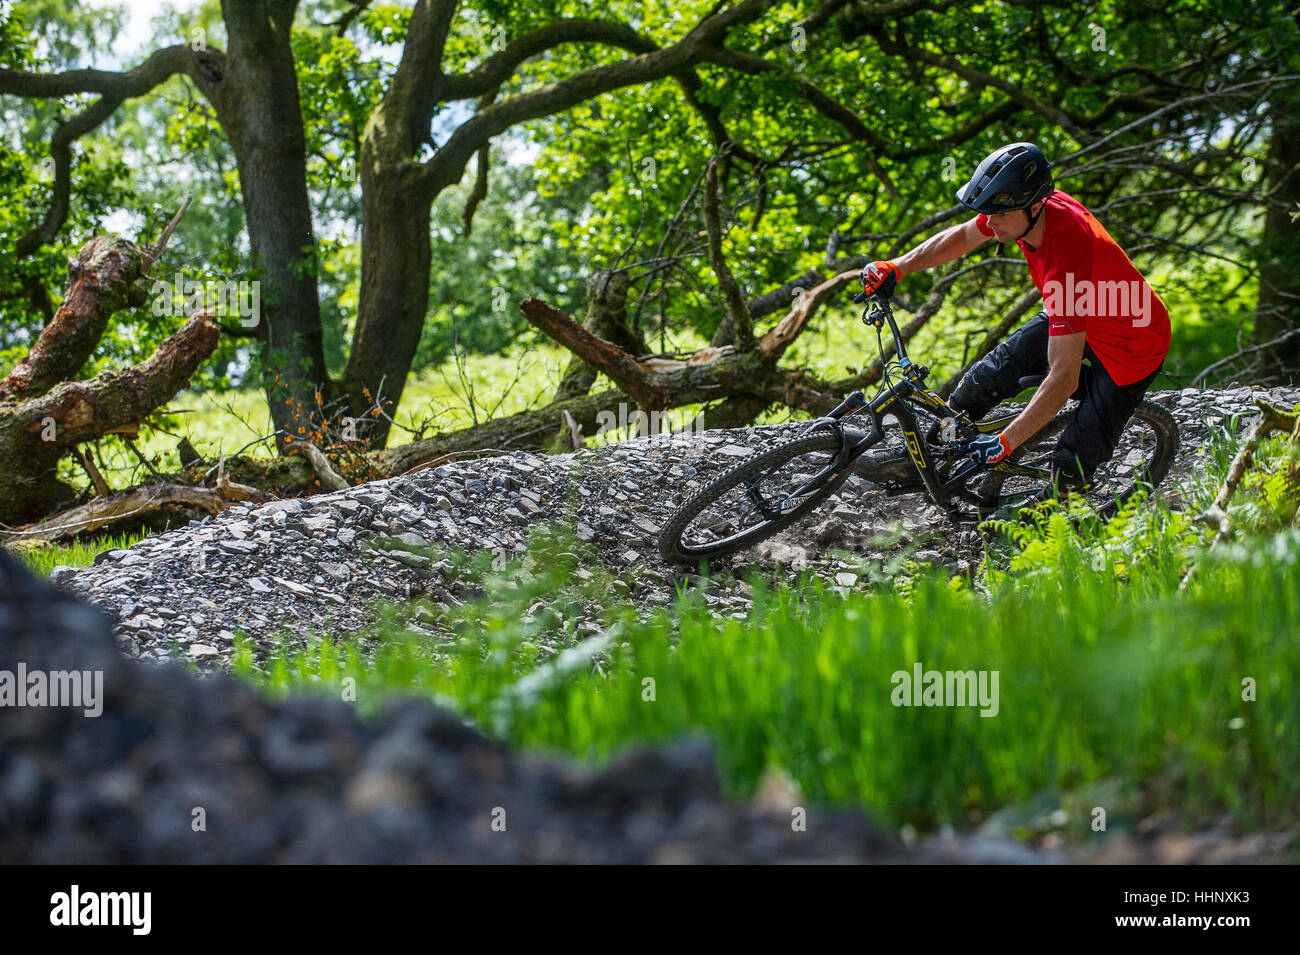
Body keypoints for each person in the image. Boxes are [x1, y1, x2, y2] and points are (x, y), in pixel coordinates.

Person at [859, 142, 1171, 491]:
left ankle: (1060, 524)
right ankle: (929, 453)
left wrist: (1005, 442)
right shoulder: (1021, 210)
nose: (990, 223)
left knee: (1071, 465)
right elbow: (963, 236)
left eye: (999, 214)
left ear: (1035, 206)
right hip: (1086, 313)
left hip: (1131, 348)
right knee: (981, 382)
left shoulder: (1065, 262)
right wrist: (898, 267)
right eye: (988, 213)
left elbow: (1063, 378)